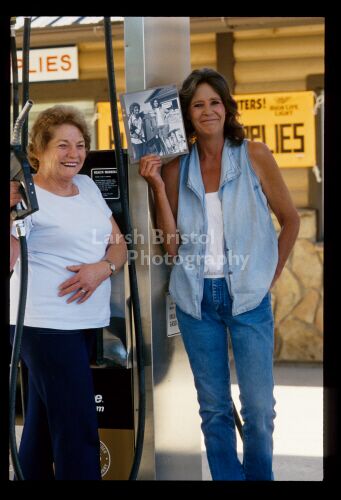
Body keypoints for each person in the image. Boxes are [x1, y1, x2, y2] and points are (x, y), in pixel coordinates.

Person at [138, 68, 300, 480]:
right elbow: (170, 246)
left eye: (214, 102)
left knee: (259, 409)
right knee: (213, 409)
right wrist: (157, 185)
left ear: (226, 108)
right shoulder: (178, 169)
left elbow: (290, 219)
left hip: (249, 297)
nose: (208, 111)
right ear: (188, 115)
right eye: (198, 105)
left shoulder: (254, 155)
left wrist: (270, 275)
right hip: (196, 299)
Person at [10, 105, 127, 480]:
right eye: (62, 145)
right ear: (39, 151)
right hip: (43, 324)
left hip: (84, 322)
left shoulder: (89, 187)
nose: (73, 154)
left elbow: (119, 245)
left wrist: (101, 268)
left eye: (79, 145)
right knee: (77, 426)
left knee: (44, 425)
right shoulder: (26, 194)